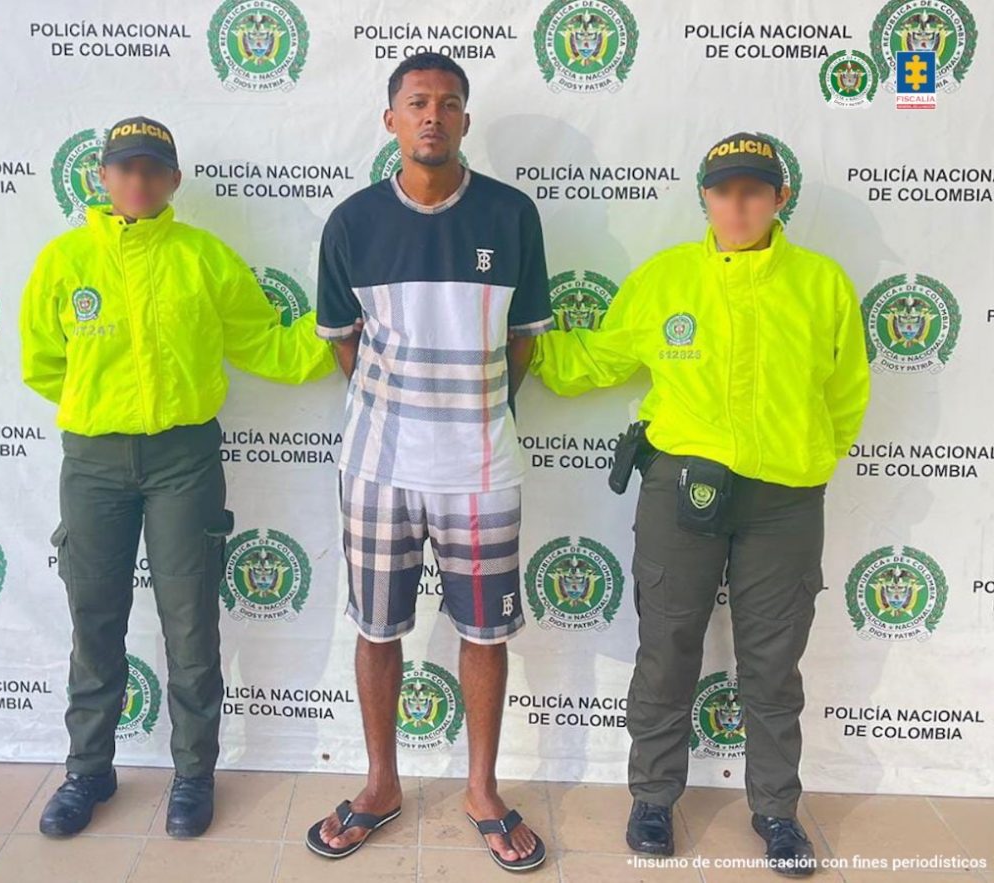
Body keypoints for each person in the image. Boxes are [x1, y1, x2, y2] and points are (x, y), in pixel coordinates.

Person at [531, 133, 870, 877]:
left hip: (785, 498)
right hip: (680, 489)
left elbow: (846, 397)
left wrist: (808, 456)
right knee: (668, 647)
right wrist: (509, 340)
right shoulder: (666, 278)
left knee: (773, 663)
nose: (738, 204)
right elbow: (596, 358)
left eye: (754, 189)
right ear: (705, 198)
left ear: (781, 198)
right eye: (724, 189)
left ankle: (777, 811)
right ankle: (653, 798)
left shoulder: (822, 283)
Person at [19, 116, 335, 839]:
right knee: (94, 619)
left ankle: (193, 774)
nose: (138, 180)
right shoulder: (65, 261)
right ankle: (87, 771)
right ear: (101, 176)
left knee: (191, 620)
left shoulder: (205, 258)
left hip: (183, 460)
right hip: (94, 462)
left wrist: (339, 328)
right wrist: (105, 404)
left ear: (174, 180)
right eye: (125, 167)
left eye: (153, 168)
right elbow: (42, 363)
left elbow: (268, 344)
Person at [305, 54, 552, 872]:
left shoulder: (512, 216)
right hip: (378, 467)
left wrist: (473, 409)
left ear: (466, 120)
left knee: (484, 633)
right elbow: (344, 343)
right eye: (417, 103)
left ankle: (482, 789)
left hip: (482, 467)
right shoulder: (350, 223)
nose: (433, 117)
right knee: (377, 629)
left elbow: (523, 338)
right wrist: (400, 408)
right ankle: (381, 784)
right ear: (391, 120)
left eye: (448, 103)